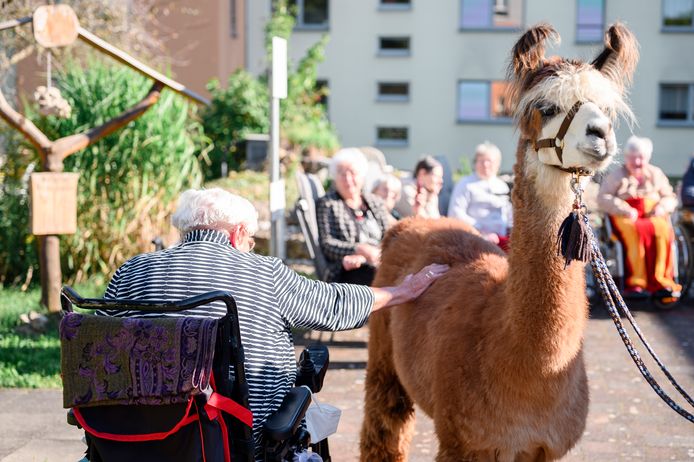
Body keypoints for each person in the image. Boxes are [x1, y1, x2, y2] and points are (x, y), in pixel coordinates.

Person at [99, 187, 448, 459]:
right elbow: (332, 305)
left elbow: (97, 348)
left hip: (126, 435)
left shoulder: (129, 271)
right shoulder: (261, 273)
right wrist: (402, 291)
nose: (250, 247)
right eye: (250, 240)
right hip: (229, 435)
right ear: (237, 234)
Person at [597, 135, 681, 301]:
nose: (636, 162)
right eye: (632, 158)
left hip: (652, 214)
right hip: (626, 215)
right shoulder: (616, 175)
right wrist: (624, 208)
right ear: (626, 157)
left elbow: (670, 197)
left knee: (663, 230)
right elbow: (603, 197)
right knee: (636, 231)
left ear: (647, 157)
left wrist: (661, 207)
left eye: (640, 158)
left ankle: (661, 281)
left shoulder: (655, 173)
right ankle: (636, 282)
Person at [316, 148, 391, 285]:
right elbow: (327, 243)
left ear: (362, 176)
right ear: (335, 178)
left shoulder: (375, 202)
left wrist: (376, 254)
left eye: (353, 173)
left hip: (381, 260)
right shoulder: (328, 204)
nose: (348, 179)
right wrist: (358, 249)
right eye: (342, 174)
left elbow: (389, 235)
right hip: (348, 269)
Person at [447, 142, 512, 250]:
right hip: (474, 240)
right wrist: (481, 231)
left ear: (497, 164)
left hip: (502, 241)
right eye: (481, 161)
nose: (485, 165)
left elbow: (509, 215)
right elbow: (455, 213)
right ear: (475, 163)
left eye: (489, 161)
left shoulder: (502, 186)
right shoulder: (465, 184)